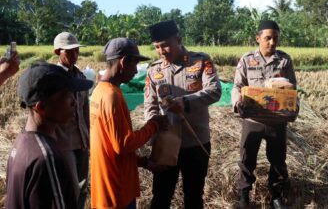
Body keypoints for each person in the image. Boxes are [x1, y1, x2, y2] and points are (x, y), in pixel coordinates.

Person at [144, 20, 222, 209]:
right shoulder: (154, 70)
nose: (162, 51)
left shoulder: (200, 61)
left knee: (194, 196)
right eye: (157, 47)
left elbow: (215, 90)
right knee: (161, 195)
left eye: (166, 45)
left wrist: (186, 101)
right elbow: (150, 105)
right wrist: (153, 132)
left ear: (178, 40)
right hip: (166, 143)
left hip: (196, 142)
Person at [89, 37, 168, 209]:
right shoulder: (112, 96)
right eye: (135, 64)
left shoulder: (98, 92)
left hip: (105, 186)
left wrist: (143, 162)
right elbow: (123, 144)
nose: (135, 71)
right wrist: (154, 125)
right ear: (124, 62)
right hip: (117, 191)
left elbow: (111, 145)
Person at [5, 62, 93, 209]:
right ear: (41, 107)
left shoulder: (22, 142)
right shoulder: (48, 158)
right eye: (66, 95)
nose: (75, 101)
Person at [231, 20, 297, 209]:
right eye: (268, 38)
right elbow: (237, 85)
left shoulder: (284, 60)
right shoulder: (247, 59)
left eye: (275, 38)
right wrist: (237, 102)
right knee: (247, 158)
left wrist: (293, 109)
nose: (272, 42)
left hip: (277, 120)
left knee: (277, 159)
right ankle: (244, 195)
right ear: (258, 38)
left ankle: (275, 195)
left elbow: (293, 90)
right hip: (253, 119)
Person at [52, 32, 90, 209]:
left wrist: (89, 138)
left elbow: (85, 111)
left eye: (76, 51)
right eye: (69, 52)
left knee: (82, 188)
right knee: (67, 189)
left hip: (82, 142)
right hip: (62, 144)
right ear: (57, 52)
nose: (74, 55)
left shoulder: (81, 77)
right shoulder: (52, 79)